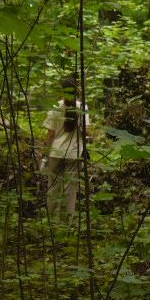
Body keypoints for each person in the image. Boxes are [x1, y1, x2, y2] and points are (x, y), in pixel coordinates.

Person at [41, 87, 89, 220]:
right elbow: (87, 132)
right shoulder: (82, 107)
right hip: (74, 154)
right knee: (70, 189)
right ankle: (67, 223)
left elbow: (50, 134)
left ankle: (49, 222)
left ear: (62, 91)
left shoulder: (56, 107)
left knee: (53, 188)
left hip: (55, 153)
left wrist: (45, 155)